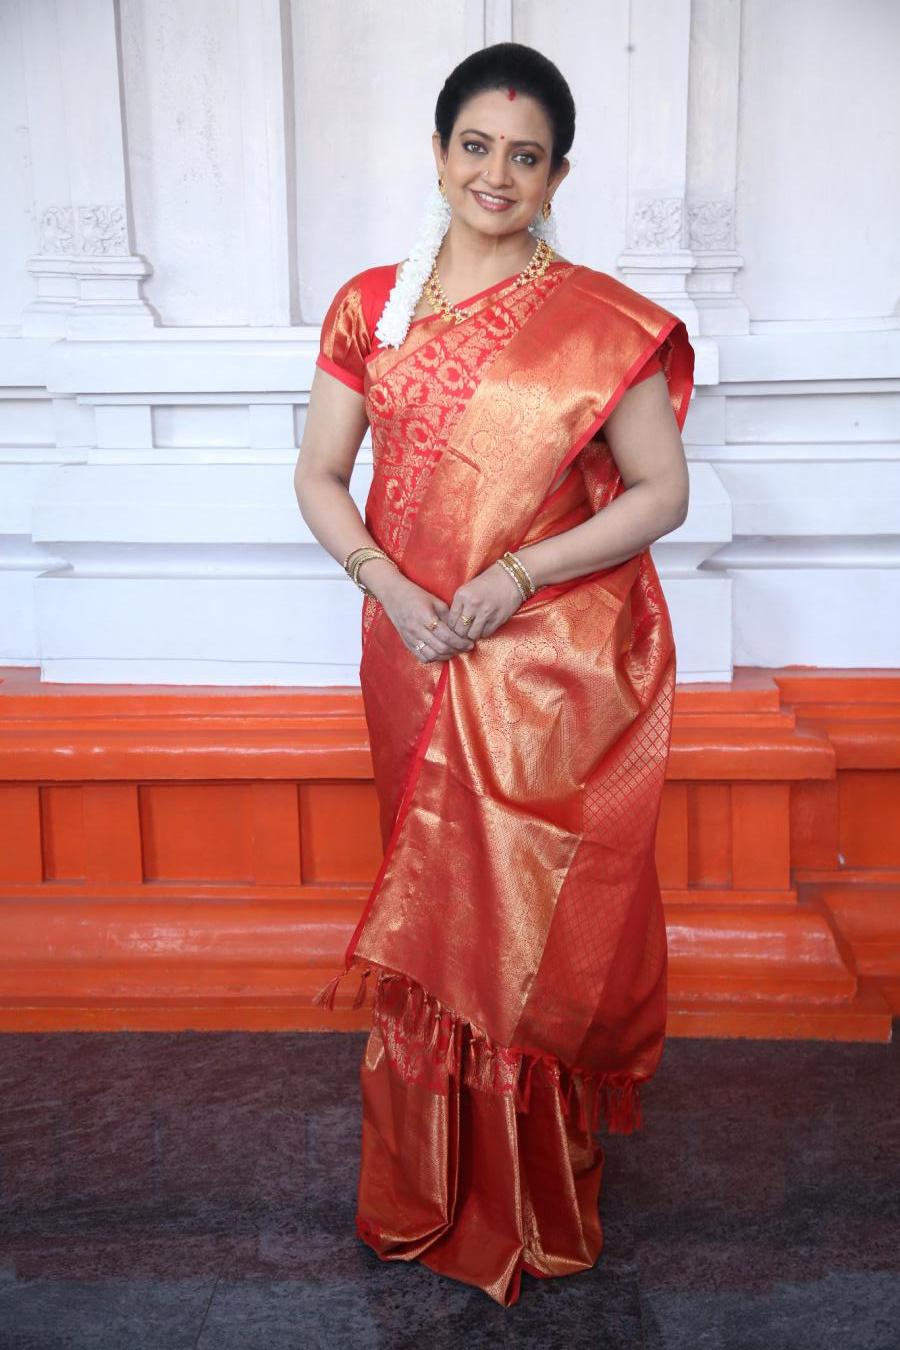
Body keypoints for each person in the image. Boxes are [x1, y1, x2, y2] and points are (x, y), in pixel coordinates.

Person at [294, 42, 694, 1307]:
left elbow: (660, 492)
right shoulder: (370, 306)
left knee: (518, 926)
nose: (497, 173)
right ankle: (423, 1187)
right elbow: (319, 476)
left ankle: (527, 1196)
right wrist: (388, 586)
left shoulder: (598, 324)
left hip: (536, 672)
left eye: (526, 156)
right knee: (432, 911)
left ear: (558, 174)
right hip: (410, 649)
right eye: (476, 146)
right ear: (438, 153)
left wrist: (518, 576)